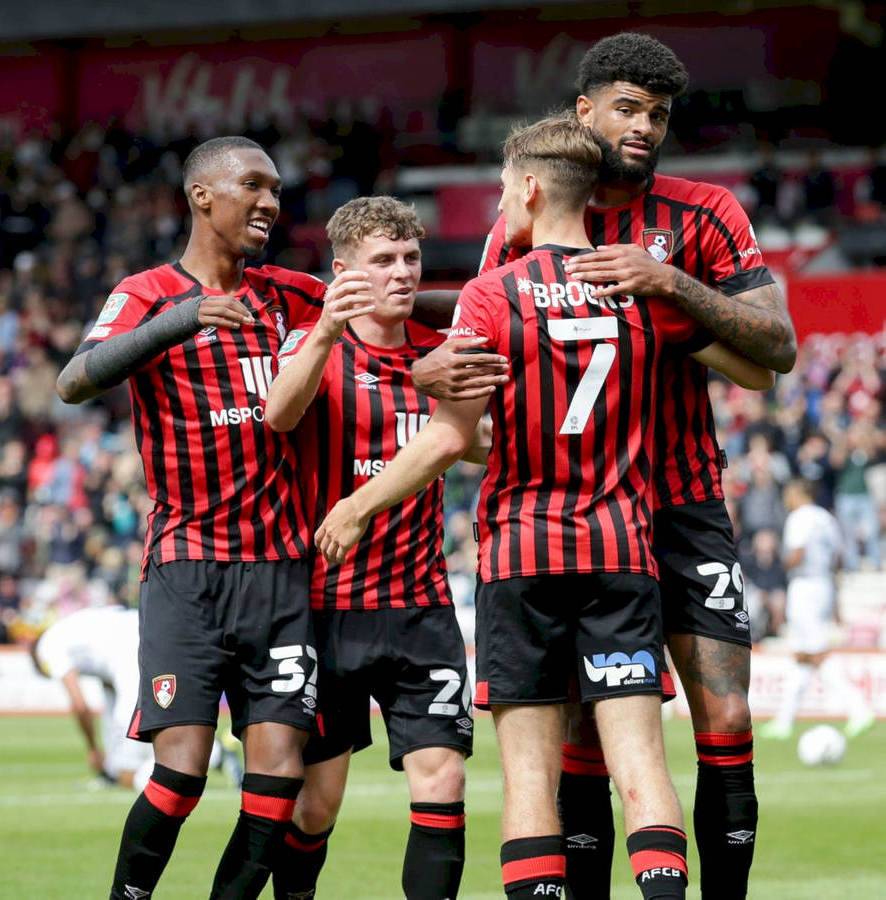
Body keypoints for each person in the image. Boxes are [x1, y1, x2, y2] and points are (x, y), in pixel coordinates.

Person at [314, 115, 773, 900]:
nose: (500, 203)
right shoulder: (637, 286)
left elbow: (448, 438)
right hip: (622, 550)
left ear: (529, 188)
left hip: (522, 556)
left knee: (530, 780)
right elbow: (757, 370)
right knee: (643, 768)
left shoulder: (491, 294)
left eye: (501, 189)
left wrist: (359, 504)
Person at [413, 32, 797, 900]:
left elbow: (776, 348)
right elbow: (481, 341)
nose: (644, 127)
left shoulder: (704, 213)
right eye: (628, 108)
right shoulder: (518, 235)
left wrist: (670, 283)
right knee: (584, 734)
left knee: (727, 711)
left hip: (682, 500)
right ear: (584, 112)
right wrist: (417, 349)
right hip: (581, 512)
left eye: (658, 114)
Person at [56, 136, 328, 900]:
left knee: (278, 780)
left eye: (276, 189)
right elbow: (73, 382)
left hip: (280, 572)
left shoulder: (290, 293)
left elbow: (386, 302)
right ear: (202, 196)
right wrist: (181, 321)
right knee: (179, 775)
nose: (270, 202)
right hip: (188, 568)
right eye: (254, 185)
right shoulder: (147, 293)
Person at [264, 196, 481, 900]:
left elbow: (481, 445)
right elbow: (278, 415)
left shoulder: (439, 353)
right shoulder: (314, 346)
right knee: (315, 805)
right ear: (344, 272)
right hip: (325, 609)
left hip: (421, 605)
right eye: (383, 260)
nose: (402, 272)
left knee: (444, 780)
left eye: (411, 258)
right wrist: (326, 329)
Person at [760, 479, 874, 740]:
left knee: (815, 652)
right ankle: (784, 721)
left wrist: (779, 565)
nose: (786, 498)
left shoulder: (799, 518)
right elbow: (838, 557)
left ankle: (859, 708)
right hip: (823, 584)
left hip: (805, 586)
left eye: (789, 492)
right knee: (802, 655)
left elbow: (797, 553)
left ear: (801, 493)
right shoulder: (826, 518)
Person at [31, 605, 153, 789]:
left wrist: (93, 748)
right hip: (146, 628)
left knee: (126, 773)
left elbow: (80, 706)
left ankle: (198, 763)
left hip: (131, 648)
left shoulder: (46, 648)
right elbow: (109, 685)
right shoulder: (70, 632)